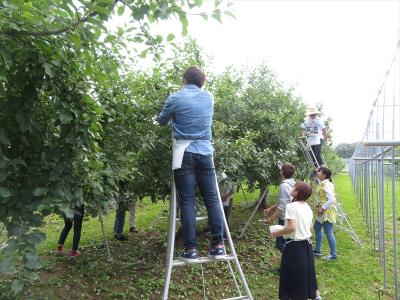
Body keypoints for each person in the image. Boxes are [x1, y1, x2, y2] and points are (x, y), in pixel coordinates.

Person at [157, 66, 225, 262]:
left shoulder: (175, 98)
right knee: (212, 199)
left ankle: (191, 249)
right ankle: (218, 245)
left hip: (184, 153)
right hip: (205, 152)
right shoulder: (209, 97)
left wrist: (173, 118)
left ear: (184, 80)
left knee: (187, 201)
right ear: (202, 82)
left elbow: (162, 121)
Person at [271, 182, 321, 300]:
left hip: (294, 246)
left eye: (294, 187)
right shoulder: (307, 207)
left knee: (293, 275)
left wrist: (276, 233)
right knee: (306, 272)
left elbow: (292, 227)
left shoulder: (291, 206)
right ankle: (315, 296)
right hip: (306, 245)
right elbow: (307, 227)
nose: (292, 188)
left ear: (297, 192)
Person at [264, 163, 296, 252]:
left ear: (282, 172)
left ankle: (288, 262)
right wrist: (271, 208)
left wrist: (271, 218)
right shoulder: (292, 183)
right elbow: (283, 201)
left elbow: (282, 205)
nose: (280, 170)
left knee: (281, 243)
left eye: (281, 169)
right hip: (290, 215)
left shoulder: (284, 185)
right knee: (284, 241)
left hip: (285, 216)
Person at [313, 167, 338, 260]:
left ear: (324, 175)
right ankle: (317, 250)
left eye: (319, 171)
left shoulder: (327, 185)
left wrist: (322, 208)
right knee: (317, 227)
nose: (317, 172)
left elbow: (331, 199)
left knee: (328, 231)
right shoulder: (322, 184)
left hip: (327, 211)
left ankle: (333, 255)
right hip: (322, 210)